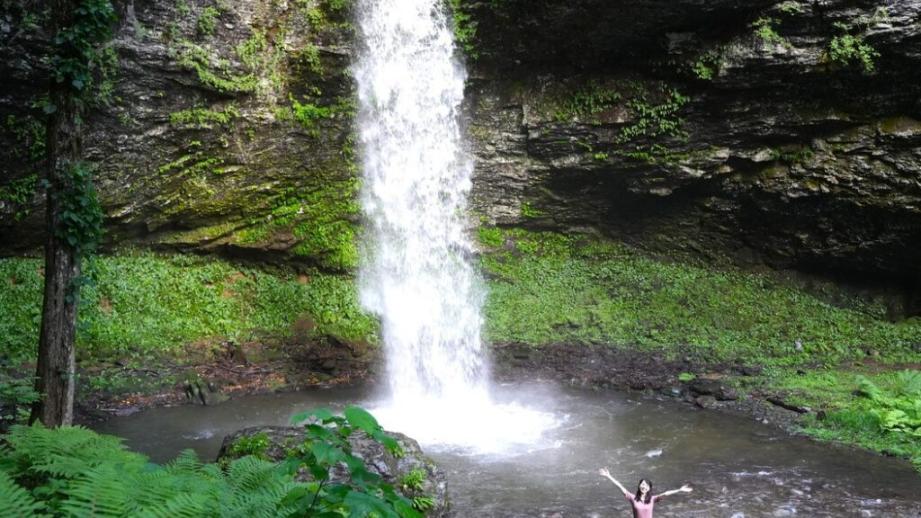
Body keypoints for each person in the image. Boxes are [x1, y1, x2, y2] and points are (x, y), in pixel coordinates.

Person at [598, 468, 692, 518]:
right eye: (642, 484)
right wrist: (609, 476)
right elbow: (620, 486)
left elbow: (666, 493)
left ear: (649, 488)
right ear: (639, 486)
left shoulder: (652, 499)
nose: (644, 486)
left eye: (646, 485)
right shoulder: (632, 498)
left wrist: (679, 490)